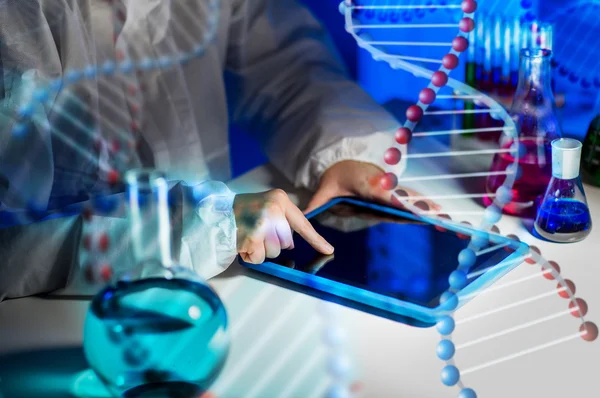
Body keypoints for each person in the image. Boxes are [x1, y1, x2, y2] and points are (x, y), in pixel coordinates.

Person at [0, 0, 435, 301]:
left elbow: (285, 67)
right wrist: (202, 227)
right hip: (60, 322)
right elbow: (12, 238)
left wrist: (344, 151)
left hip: (210, 287)